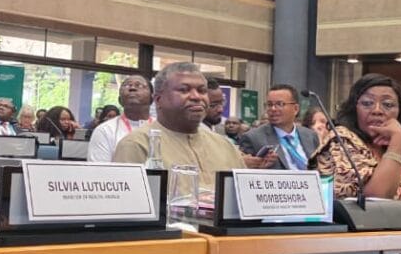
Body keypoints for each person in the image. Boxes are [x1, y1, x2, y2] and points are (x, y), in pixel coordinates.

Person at [312, 74, 401, 200]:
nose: (377, 110)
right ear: (354, 109)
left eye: (387, 105)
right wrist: (397, 144)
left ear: (400, 112)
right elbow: (376, 198)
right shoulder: (341, 140)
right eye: (367, 103)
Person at [113, 63, 244, 194]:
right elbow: (126, 202)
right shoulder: (137, 144)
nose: (196, 97)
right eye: (184, 90)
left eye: (202, 91)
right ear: (158, 100)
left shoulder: (225, 146)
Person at [239, 84, 320, 171]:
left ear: (296, 109)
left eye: (280, 104)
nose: (273, 109)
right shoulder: (253, 138)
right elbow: (245, 173)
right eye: (269, 104)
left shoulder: (310, 136)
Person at [88, 75, 154, 162]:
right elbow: (99, 169)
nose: (132, 88)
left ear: (152, 98)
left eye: (139, 85)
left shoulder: (163, 128)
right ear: (120, 100)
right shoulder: (105, 130)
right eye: (127, 85)